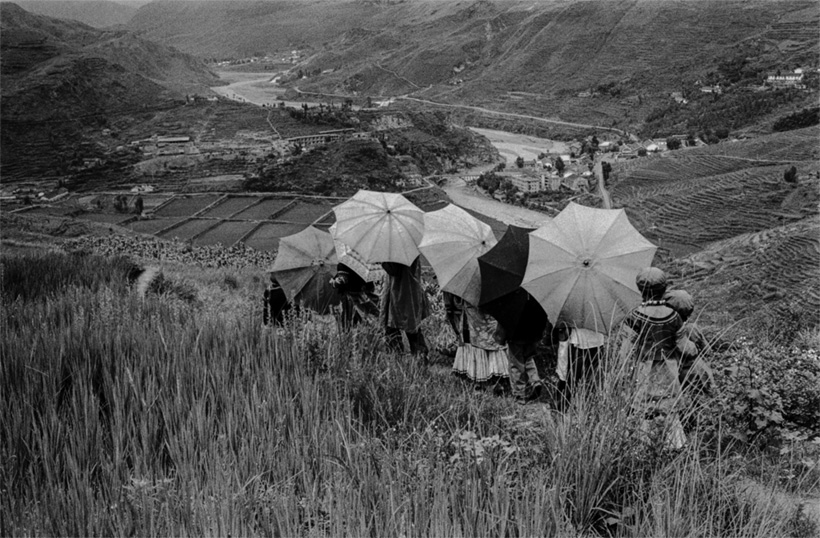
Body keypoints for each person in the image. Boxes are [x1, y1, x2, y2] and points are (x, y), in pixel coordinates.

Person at [620, 267, 686, 449]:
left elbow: (625, 350)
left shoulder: (635, 316)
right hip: (669, 370)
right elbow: (684, 347)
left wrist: (622, 372)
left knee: (644, 410)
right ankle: (674, 445)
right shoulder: (675, 316)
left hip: (644, 370)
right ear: (664, 288)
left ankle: (645, 446)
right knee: (669, 409)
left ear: (640, 290)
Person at [493, 289, 550, 404]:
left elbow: (504, 320)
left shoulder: (512, 297)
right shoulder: (536, 296)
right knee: (528, 358)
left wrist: (500, 338)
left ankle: (520, 394)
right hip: (532, 335)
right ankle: (535, 381)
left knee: (516, 364)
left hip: (516, 336)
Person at [444, 292, 509, 390]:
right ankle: (495, 380)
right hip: (487, 318)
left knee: (477, 345)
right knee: (491, 344)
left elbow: (455, 303)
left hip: (473, 320)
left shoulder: (467, 285)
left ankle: (481, 380)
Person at [664, 289, 715, 396]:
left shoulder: (669, 331)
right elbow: (708, 352)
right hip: (701, 369)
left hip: (683, 375)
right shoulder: (692, 328)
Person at [379, 257, 430, 358]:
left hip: (401, 294)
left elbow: (394, 270)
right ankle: (420, 356)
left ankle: (397, 357)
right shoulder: (409, 250)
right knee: (412, 328)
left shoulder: (398, 253)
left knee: (394, 329)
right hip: (409, 292)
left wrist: (383, 261)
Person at [554, 321, 605, 406]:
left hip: (579, 342)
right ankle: (589, 407)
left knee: (572, 378)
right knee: (592, 379)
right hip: (597, 343)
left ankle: (562, 404)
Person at [329, 263, 379, 328]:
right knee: (367, 322)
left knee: (349, 323)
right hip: (364, 298)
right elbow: (370, 287)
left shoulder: (344, 263)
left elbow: (342, 281)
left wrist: (334, 282)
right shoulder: (365, 264)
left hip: (350, 298)